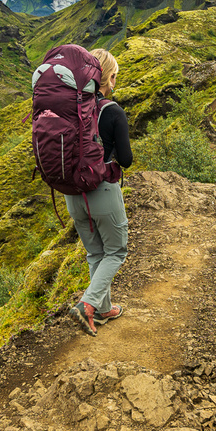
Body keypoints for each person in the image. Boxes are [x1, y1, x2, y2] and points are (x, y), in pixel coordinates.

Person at [69, 47, 132, 337]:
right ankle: (88, 304)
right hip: (102, 190)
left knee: (95, 252)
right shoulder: (112, 110)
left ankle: (104, 309)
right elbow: (127, 159)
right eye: (115, 76)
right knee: (116, 251)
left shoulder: (69, 108)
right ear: (108, 78)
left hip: (72, 193)